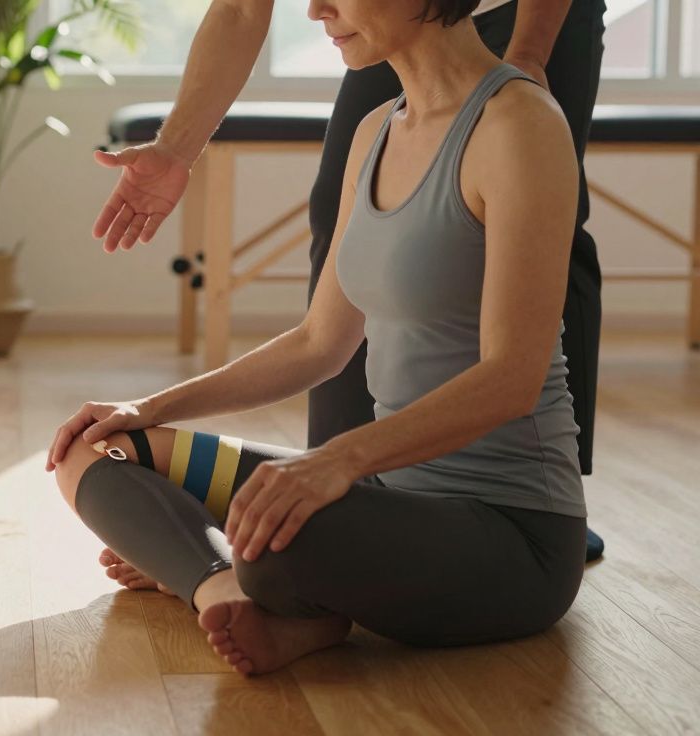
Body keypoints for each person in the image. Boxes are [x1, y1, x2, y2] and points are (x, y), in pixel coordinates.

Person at [46, 0, 590, 674]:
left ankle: (235, 579)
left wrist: (338, 460)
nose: (314, 8)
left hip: (513, 536)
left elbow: (514, 377)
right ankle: (223, 590)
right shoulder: (375, 131)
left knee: (272, 540)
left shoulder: (520, 124)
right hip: (392, 502)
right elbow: (319, 342)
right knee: (100, 450)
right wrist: (149, 409)